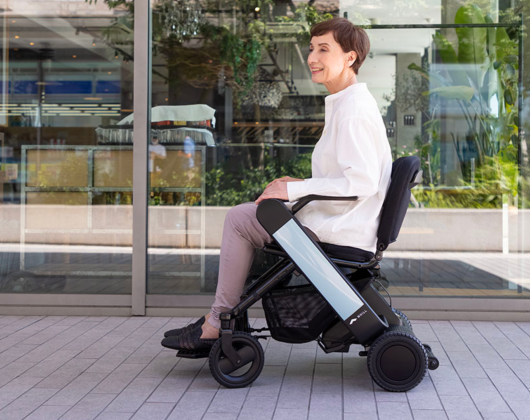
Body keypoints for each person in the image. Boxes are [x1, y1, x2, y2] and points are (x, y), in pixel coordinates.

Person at [162, 18, 392, 351]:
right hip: (341, 223)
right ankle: (223, 318)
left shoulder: (353, 109)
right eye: (311, 48)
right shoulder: (349, 103)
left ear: (350, 57)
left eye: (323, 49)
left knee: (241, 220)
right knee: (247, 216)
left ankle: (218, 321)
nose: (312, 57)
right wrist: (297, 183)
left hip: (341, 229)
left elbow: (362, 181)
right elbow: (349, 175)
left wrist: (294, 191)